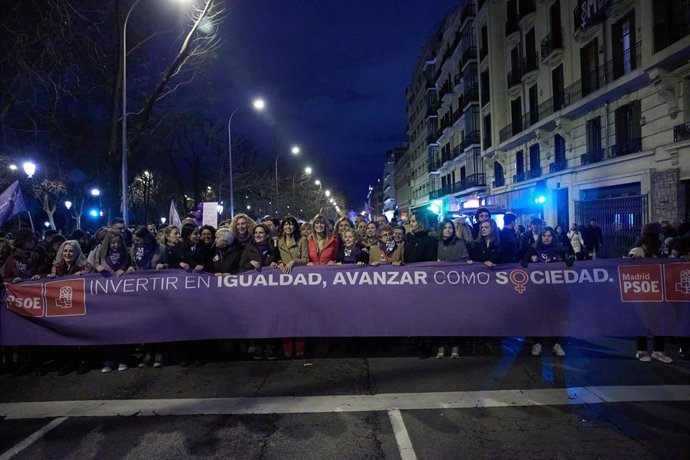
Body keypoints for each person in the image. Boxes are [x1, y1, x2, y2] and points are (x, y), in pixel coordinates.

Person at [521, 227, 570, 357]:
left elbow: (570, 267)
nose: (547, 238)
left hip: (556, 291)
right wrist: (524, 263)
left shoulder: (561, 250)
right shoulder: (533, 250)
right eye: (544, 235)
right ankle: (537, 343)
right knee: (538, 317)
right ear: (540, 237)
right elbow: (523, 263)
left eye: (549, 235)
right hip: (538, 291)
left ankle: (556, 344)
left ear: (553, 237)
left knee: (556, 318)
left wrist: (570, 262)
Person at [628, 223, 673, 364]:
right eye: (660, 232)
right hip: (643, 290)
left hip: (659, 289)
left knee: (659, 320)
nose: (662, 234)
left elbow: (669, 261)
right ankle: (641, 350)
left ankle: (658, 351)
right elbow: (631, 261)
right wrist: (634, 259)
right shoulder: (640, 247)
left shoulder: (661, 246)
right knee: (641, 319)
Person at [276, 216, 309, 358]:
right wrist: (279, 262)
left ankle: (300, 345)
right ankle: (287, 345)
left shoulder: (302, 240)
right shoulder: (278, 241)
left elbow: (307, 259)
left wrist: (294, 262)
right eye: (286, 225)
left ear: (295, 227)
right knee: (285, 315)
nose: (288, 227)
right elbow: (276, 257)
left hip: (299, 281)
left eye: (291, 225)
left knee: (300, 314)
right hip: (283, 283)